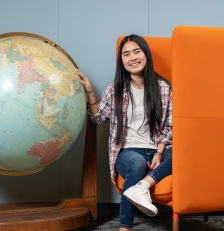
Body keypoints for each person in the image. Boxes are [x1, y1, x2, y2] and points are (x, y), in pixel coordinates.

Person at [77, 34, 172, 231]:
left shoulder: (162, 87)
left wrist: (159, 153)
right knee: (136, 163)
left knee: (182, 152)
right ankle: (124, 228)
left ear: (146, 54)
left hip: (156, 149)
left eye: (137, 51)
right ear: (122, 61)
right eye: (126, 54)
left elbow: (167, 128)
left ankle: (143, 186)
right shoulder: (116, 89)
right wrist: (90, 92)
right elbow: (99, 119)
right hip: (128, 152)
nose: (133, 58)